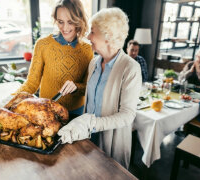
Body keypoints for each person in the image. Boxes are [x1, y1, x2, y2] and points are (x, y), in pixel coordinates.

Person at [58, 7, 142, 169]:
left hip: (111, 142)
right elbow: (94, 96)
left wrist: (92, 123)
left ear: (108, 37)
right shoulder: (94, 63)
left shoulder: (130, 68)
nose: (88, 36)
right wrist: (76, 88)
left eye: (93, 32)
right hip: (87, 138)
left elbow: (127, 116)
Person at [15, 0, 93, 115]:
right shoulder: (43, 45)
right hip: (46, 111)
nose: (65, 28)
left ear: (79, 21)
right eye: (60, 22)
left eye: (70, 22)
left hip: (76, 113)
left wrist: (76, 87)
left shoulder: (87, 50)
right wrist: (13, 100)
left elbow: (88, 88)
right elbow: (32, 83)